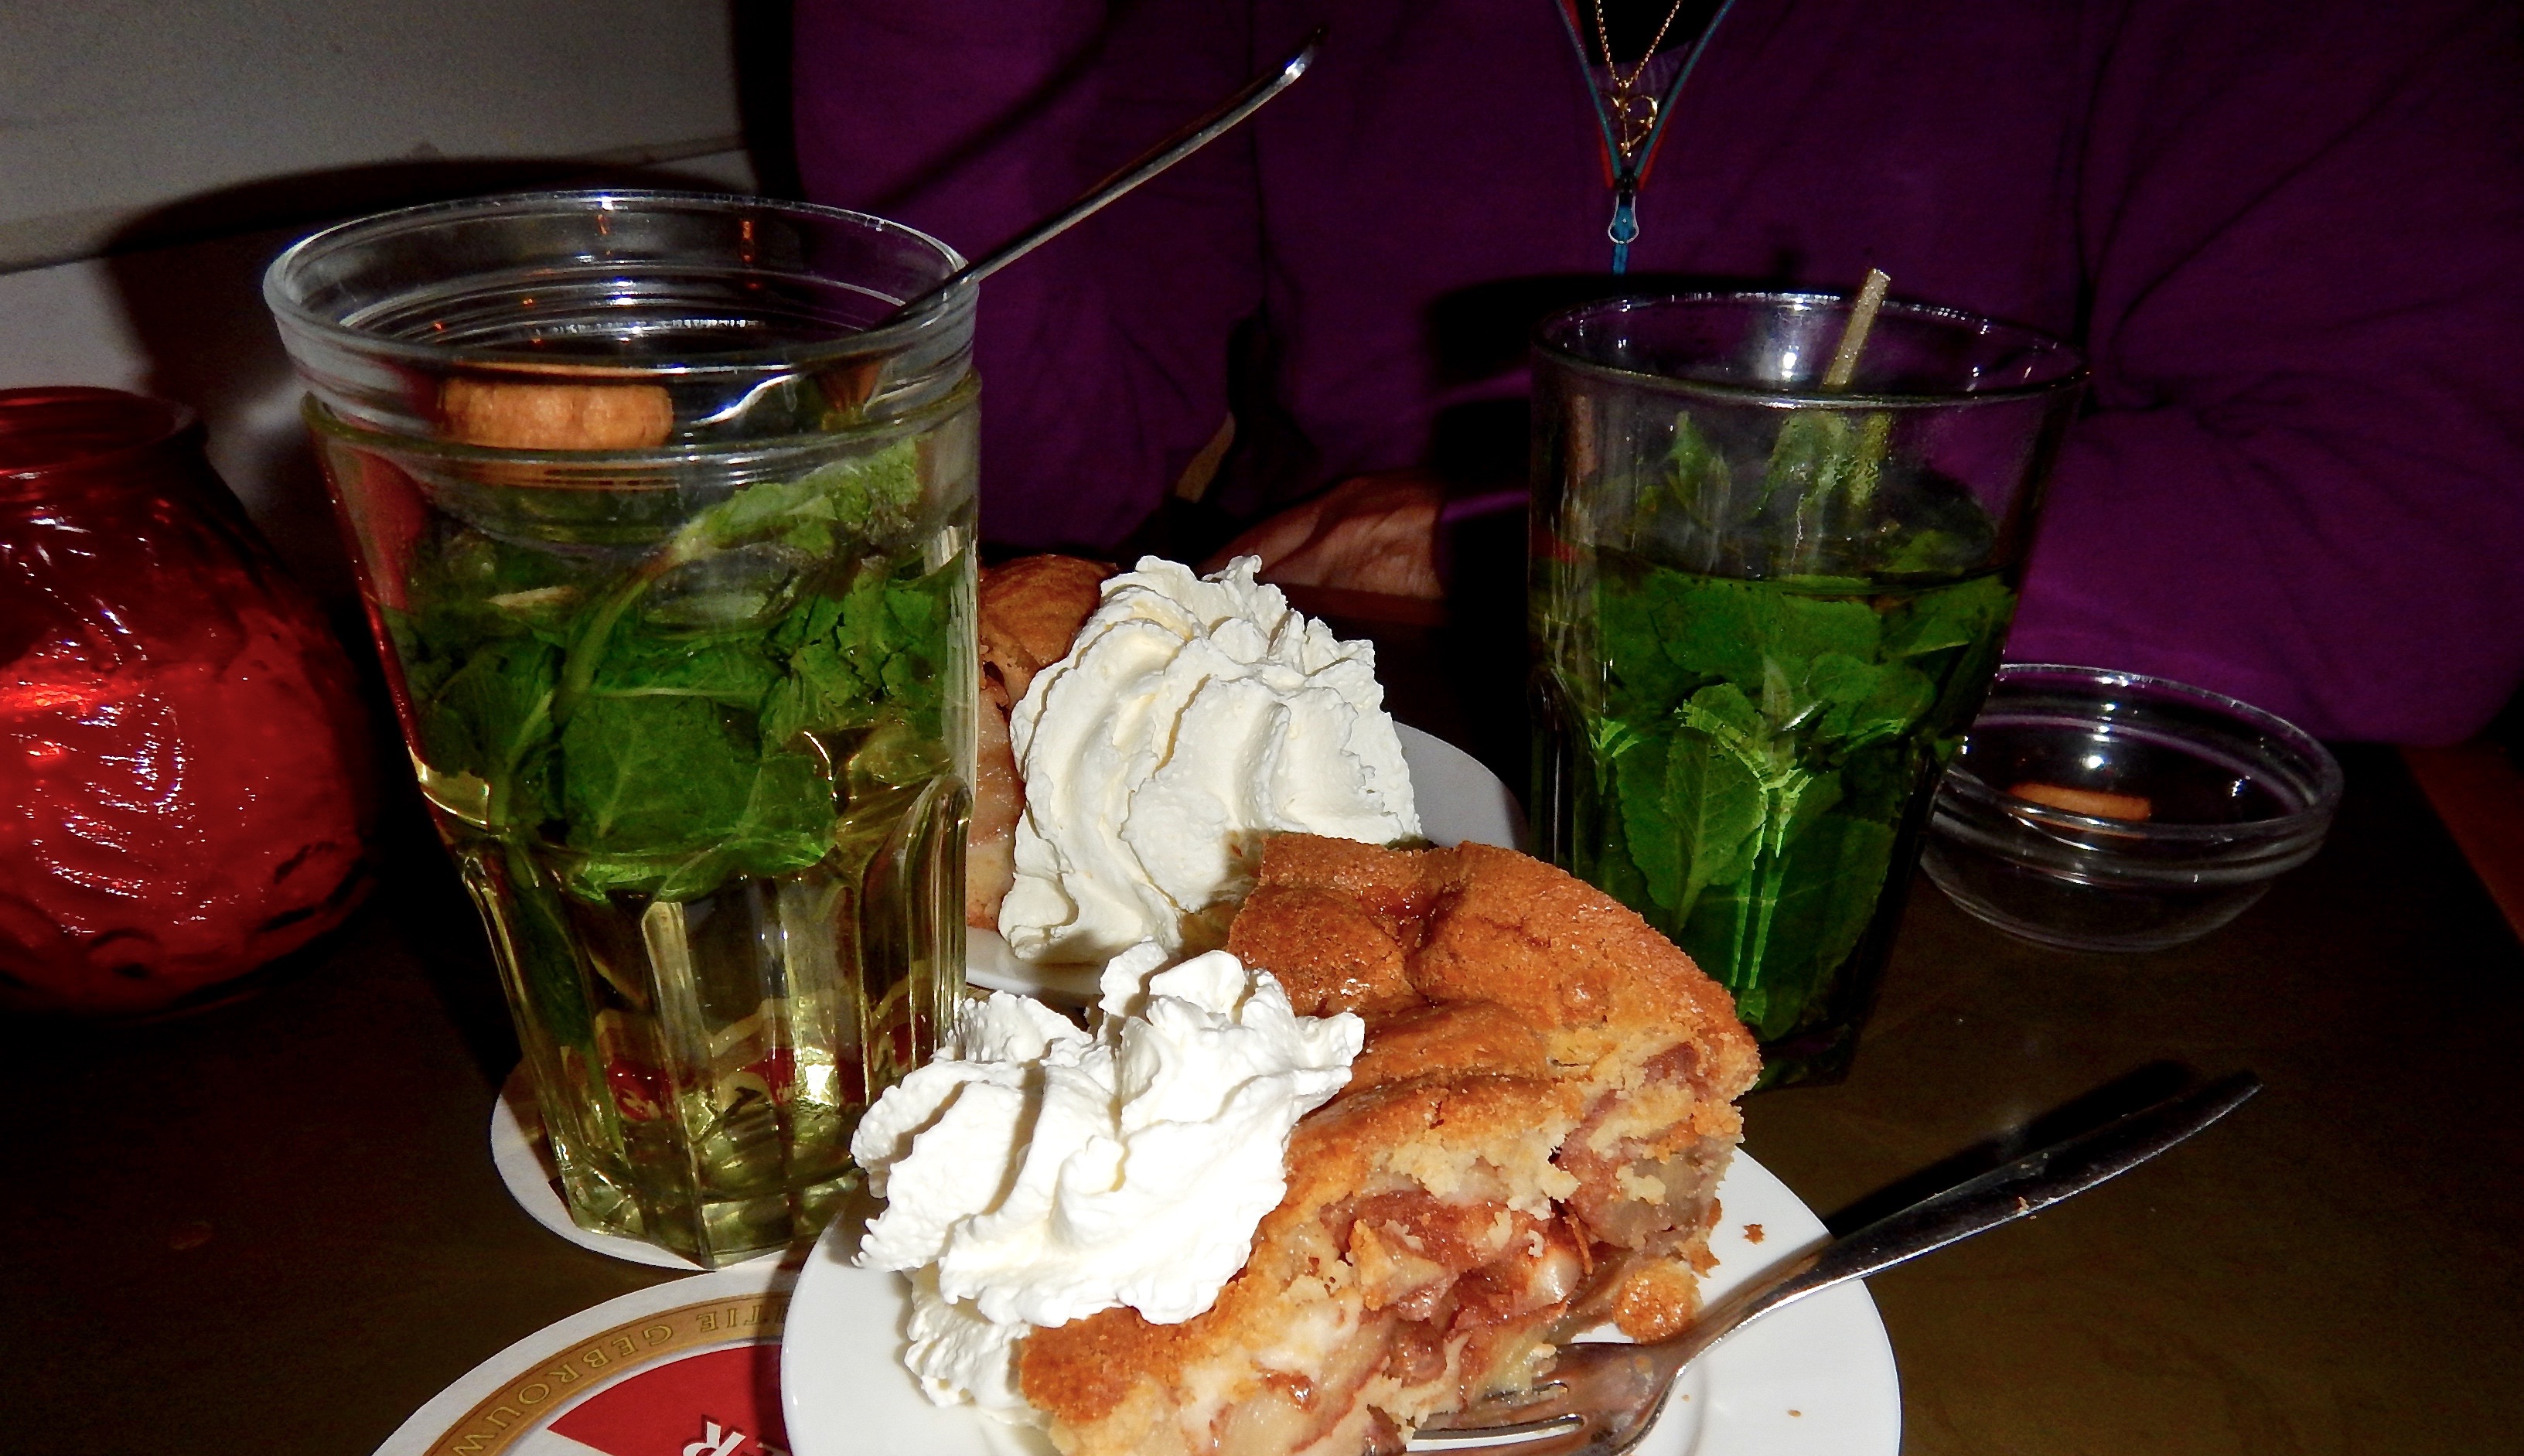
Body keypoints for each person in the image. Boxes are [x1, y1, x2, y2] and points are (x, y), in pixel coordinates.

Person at [794, 0, 2524, 745]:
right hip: (1330, 768)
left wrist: (1567, 537)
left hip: (1944, 799)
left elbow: (2414, 559)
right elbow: (1035, 470)